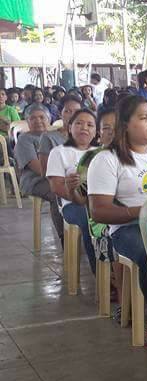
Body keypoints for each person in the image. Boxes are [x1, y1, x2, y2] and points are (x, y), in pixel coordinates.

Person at [88, 96, 147, 349]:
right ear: (125, 124)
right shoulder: (107, 160)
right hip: (128, 227)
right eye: (143, 117)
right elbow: (100, 212)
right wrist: (142, 212)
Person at [46, 109, 99, 274]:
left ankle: (118, 271)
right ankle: (101, 274)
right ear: (69, 128)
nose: (85, 128)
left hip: (100, 201)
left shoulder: (101, 151)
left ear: (96, 131)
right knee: (89, 220)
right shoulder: (59, 152)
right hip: (72, 204)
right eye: (79, 123)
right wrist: (76, 197)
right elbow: (56, 186)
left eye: (90, 125)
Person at [15, 104, 65, 243]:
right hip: (36, 180)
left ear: (48, 119)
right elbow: (39, 168)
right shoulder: (25, 140)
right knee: (58, 192)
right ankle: (64, 237)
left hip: (61, 176)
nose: (38, 121)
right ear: (28, 122)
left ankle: (80, 231)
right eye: (33, 118)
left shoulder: (56, 136)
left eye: (42, 117)